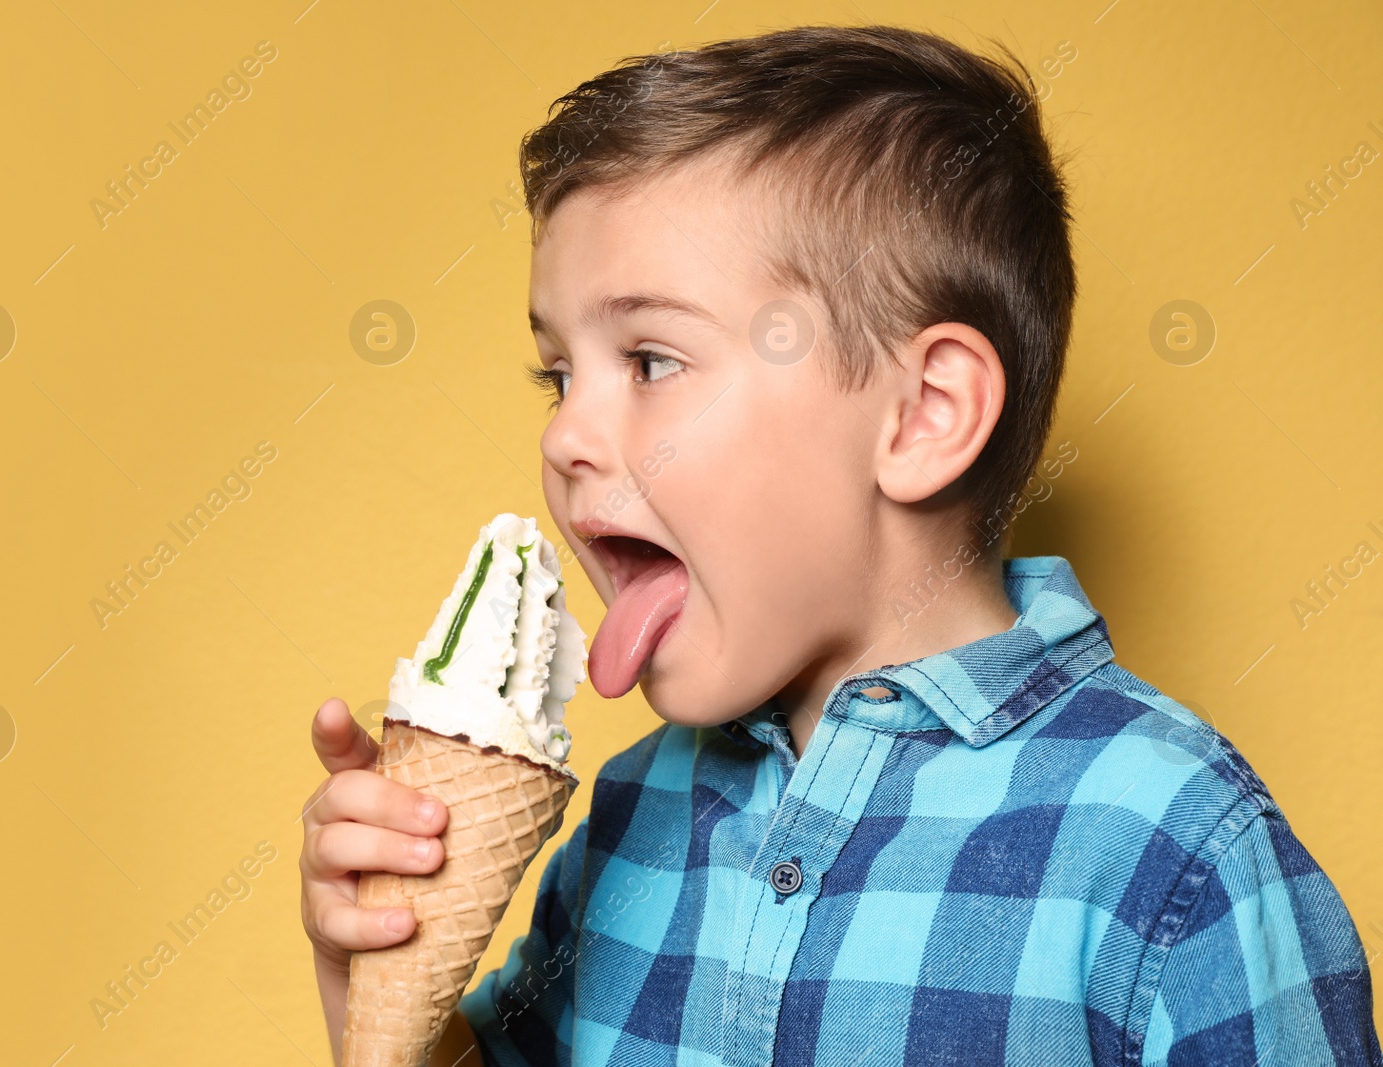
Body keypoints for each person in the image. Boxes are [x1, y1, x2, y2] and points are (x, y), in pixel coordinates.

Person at [301, 24, 1382, 1065]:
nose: (566, 434)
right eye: (557, 375)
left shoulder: (1170, 847)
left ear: (921, 414)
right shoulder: (632, 810)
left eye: (650, 359)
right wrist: (378, 982)